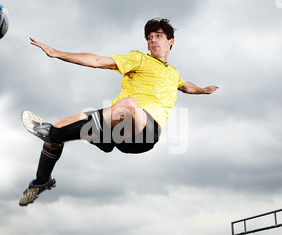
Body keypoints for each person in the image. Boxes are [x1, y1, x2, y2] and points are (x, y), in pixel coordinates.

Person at [19, 18, 218, 206]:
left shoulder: (174, 73)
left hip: (145, 132)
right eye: (149, 38)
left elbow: (186, 86)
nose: (153, 40)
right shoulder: (138, 59)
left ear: (170, 41)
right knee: (61, 125)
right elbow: (98, 60)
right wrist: (58, 53)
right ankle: (41, 181)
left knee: (125, 106)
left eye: (158, 36)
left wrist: (204, 90)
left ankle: (55, 133)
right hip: (117, 123)